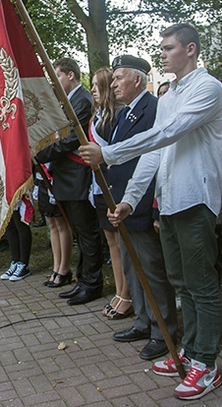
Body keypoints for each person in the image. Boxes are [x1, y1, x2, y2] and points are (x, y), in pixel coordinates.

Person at [80, 23, 222, 401]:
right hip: (172, 201)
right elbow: (155, 153)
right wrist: (130, 198)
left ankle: (206, 364)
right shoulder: (171, 93)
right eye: (161, 48)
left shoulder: (207, 88)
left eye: (169, 47)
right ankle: (191, 352)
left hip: (197, 199)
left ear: (191, 49)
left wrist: (110, 153)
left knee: (202, 285)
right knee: (181, 283)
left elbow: (170, 132)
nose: (162, 53)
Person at [105, 54, 177, 361]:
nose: (114, 83)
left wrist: (148, 208)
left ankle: (164, 330)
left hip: (141, 204)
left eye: (119, 77)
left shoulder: (153, 109)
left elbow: (152, 159)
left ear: (137, 79)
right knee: (132, 267)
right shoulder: (125, 113)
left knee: (152, 269)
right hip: (122, 203)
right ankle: (144, 320)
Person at [36, 57, 103, 306]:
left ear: (71, 75)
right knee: (79, 233)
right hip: (66, 177)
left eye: (58, 76)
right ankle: (83, 279)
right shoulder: (69, 101)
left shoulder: (81, 100)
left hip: (77, 175)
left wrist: (39, 155)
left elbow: (71, 140)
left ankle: (92, 283)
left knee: (86, 233)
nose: (55, 81)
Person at [89, 66, 130, 319]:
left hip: (114, 186)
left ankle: (127, 294)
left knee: (121, 243)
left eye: (96, 84)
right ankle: (119, 291)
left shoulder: (119, 115)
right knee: (111, 242)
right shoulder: (98, 116)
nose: (93, 89)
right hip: (97, 186)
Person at [35, 164, 74, 288]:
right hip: (41, 177)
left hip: (55, 176)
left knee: (61, 224)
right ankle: (56, 266)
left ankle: (64, 268)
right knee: (51, 223)